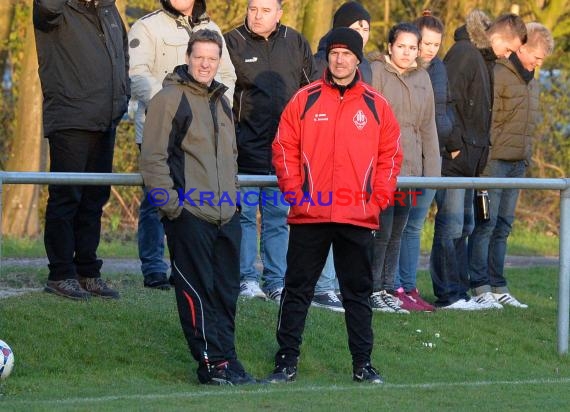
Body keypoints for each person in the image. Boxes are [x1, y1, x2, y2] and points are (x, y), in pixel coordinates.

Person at [267, 27, 402, 384]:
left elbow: (390, 158)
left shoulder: (377, 106)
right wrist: (297, 194)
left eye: (347, 54)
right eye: (334, 53)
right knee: (297, 290)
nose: (340, 60)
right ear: (327, 57)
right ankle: (285, 362)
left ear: (358, 59)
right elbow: (283, 148)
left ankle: (362, 364)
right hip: (309, 216)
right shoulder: (304, 99)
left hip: (357, 217)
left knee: (357, 293)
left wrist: (376, 201)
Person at [140, 29, 255, 385]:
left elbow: (231, 158)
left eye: (212, 58)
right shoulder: (170, 98)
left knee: (226, 292)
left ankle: (227, 358)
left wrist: (234, 203)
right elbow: (153, 159)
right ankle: (209, 363)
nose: (205, 64)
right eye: (199, 57)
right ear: (189, 57)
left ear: (219, 61)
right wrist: (171, 208)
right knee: (197, 292)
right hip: (190, 217)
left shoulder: (221, 101)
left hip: (226, 215)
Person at [128, 0, 236, 290]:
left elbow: (227, 76)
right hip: (160, 124)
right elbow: (138, 75)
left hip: (203, 133)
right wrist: (171, 107)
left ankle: (184, 268)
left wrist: (216, 112)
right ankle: (153, 268)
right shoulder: (147, 25)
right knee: (156, 199)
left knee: (193, 204)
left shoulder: (211, 28)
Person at [430, 10, 527, 310]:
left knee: (466, 226)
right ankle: (448, 293)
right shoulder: (464, 53)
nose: (508, 55)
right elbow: (445, 100)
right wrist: (455, 146)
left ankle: (460, 291)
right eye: (509, 48)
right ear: (498, 35)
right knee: (451, 225)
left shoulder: (484, 60)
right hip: (456, 159)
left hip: (473, 162)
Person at [33, 0, 129, 300]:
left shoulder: (109, 10)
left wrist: (121, 99)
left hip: (106, 119)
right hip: (71, 118)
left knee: (94, 198)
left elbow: (121, 57)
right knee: (67, 196)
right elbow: (47, 7)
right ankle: (61, 274)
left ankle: (88, 270)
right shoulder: (57, 10)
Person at [224, 0, 319, 302]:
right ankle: (246, 279)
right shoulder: (231, 42)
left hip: (286, 154)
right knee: (246, 217)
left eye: (265, 10)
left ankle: (276, 281)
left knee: (279, 218)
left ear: (279, 13)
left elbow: (311, 94)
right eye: (253, 9)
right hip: (244, 150)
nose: (257, 15)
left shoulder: (296, 42)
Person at [468, 23, 554, 308]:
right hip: (494, 162)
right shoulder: (499, 73)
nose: (538, 64)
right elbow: (490, 118)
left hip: (518, 163)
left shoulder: (533, 80)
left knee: (504, 225)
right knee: (486, 223)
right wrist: (485, 156)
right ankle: (479, 285)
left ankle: (498, 283)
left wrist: (526, 156)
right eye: (537, 57)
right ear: (521, 47)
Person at [369, 22, 441, 314]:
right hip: (383, 167)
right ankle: (373, 288)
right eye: (401, 46)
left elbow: (428, 127)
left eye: (413, 47)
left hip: (410, 169)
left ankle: (388, 288)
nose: (407, 52)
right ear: (389, 46)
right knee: (382, 230)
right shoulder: (376, 73)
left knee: (398, 231)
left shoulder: (423, 77)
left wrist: (432, 174)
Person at [310, 0, 371, 313]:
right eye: (357, 26)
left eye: (366, 28)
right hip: (321, 174)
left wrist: (378, 191)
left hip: (354, 176)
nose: (363, 32)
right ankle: (322, 287)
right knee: (320, 234)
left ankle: (338, 287)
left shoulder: (366, 69)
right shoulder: (320, 63)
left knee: (350, 240)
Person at [394, 11, 454, 312]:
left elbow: (437, 119)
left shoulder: (437, 72)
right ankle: (394, 285)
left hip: (428, 160)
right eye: (425, 43)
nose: (430, 50)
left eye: (435, 44)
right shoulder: (397, 72)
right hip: (402, 164)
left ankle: (408, 284)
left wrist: (437, 165)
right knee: (397, 227)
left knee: (414, 227)